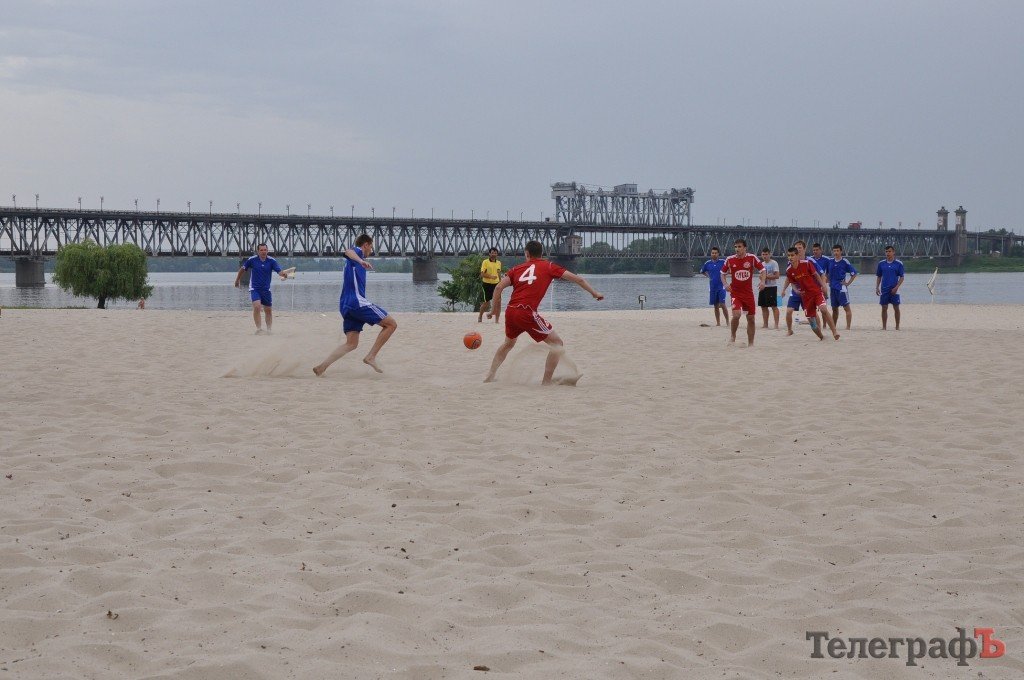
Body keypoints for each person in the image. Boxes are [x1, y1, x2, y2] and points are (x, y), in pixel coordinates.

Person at [484, 240, 603, 385]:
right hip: (526, 312)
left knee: (508, 344)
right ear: (542, 254)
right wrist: (594, 293)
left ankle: (490, 375)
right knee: (557, 343)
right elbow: (578, 279)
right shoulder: (549, 266)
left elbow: (498, 288)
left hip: (511, 311)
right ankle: (546, 382)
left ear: (526, 254)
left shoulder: (516, 269)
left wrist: (494, 310)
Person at [313, 234, 398, 376]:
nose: (371, 250)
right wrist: (360, 260)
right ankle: (371, 357)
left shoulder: (353, 261)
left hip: (345, 305)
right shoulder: (357, 252)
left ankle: (322, 366)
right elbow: (348, 251)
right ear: (365, 245)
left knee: (351, 344)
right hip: (356, 302)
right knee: (391, 324)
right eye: (371, 247)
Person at [785, 247, 840, 341]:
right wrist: (796, 291)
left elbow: (816, 275)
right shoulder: (789, 270)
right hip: (805, 298)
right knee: (812, 323)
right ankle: (821, 337)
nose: (790, 257)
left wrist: (823, 286)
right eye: (789, 255)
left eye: (792, 255)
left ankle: (835, 332)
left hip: (816, 292)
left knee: (823, 309)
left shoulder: (806, 264)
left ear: (797, 256)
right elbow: (793, 283)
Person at [234, 243, 288, 334]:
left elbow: (279, 272)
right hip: (255, 288)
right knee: (257, 306)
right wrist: (237, 280)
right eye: (261, 250)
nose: (263, 252)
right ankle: (259, 329)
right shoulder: (252, 260)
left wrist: (284, 274)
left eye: (265, 250)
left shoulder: (272, 261)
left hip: (266, 289)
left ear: (267, 250)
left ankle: (269, 330)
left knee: (268, 310)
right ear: (258, 251)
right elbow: (242, 269)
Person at [720, 239, 766, 346]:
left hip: (748, 294)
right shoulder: (730, 259)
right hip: (735, 292)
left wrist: (763, 281)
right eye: (735, 247)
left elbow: (763, 270)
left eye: (739, 247)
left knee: (751, 319)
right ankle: (733, 335)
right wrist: (725, 284)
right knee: (736, 315)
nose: (737, 249)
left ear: (745, 248)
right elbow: (722, 273)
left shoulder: (752, 258)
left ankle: (751, 343)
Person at [780, 240, 828, 336]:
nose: (798, 249)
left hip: (809, 292)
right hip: (796, 291)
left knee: (813, 314)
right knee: (789, 311)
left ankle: (819, 330)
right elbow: (788, 278)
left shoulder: (810, 261)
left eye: (800, 248)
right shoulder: (791, 262)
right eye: (796, 248)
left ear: (804, 249)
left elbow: (821, 274)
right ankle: (789, 330)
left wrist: (824, 286)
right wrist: (784, 289)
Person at [828, 244, 858, 330]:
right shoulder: (830, 261)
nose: (836, 252)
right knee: (834, 309)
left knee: (846, 308)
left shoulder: (845, 261)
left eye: (837, 251)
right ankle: (833, 326)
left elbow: (854, 273)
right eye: (834, 251)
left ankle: (848, 327)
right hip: (832, 288)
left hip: (841, 288)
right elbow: (826, 273)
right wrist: (827, 280)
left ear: (841, 251)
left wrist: (848, 283)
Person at [875, 245, 905, 330]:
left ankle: (897, 326)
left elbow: (902, 277)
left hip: (895, 289)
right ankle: (884, 327)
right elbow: (879, 276)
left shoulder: (898, 264)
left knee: (896, 307)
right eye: (886, 251)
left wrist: (896, 287)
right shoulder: (881, 264)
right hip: (884, 289)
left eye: (889, 251)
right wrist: (877, 287)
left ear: (893, 252)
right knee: (884, 307)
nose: (888, 253)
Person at [699, 247, 730, 326]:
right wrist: (709, 276)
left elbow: (730, 269)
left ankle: (727, 322)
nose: (714, 254)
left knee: (722, 304)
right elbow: (702, 271)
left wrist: (725, 274)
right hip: (712, 287)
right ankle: (718, 323)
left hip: (722, 286)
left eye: (715, 253)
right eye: (712, 253)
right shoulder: (708, 263)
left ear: (718, 254)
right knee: (715, 305)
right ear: (711, 254)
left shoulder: (723, 262)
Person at [478, 248, 502, 323]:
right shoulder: (485, 262)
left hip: (496, 284)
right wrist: (491, 276)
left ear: (497, 254)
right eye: (492, 253)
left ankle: (497, 321)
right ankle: (480, 316)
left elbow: (499, 274)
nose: (494, 254)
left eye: (495, 253)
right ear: (489, 254)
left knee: (498, 302)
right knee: (487, 303)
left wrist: (501, 283)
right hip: (487, 284)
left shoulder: (498, 263)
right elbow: (482, 274)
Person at [758, 248, 780, 329]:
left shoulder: (774, 263)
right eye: (763, 254)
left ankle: (776, 325)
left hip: (772, 287)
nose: (765, 256)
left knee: (774, 306)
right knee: (763, 306)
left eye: (766, 254)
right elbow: (760, 276)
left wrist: (765, 277)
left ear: (770, 254)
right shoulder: (761, 264)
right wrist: (761, 280)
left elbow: (777, 276)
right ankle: (765, 324)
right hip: (763, 287)